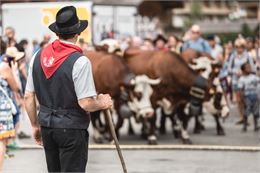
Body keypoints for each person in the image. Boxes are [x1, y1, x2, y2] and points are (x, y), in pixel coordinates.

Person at [24, 6, 113, 172]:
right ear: (77, 34)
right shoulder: (80, 61)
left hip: (47, 127)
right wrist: (101, 103)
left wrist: (35, 125)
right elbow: (86, 103)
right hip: (71, 129)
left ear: (57, 33)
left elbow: (28, 96)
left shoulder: (38, 56)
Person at [0, 39, 20, 171]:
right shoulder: (4, 67)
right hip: (2, 109)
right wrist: (14, 70)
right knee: (1, 143)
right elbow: (15, 87)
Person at [228, 38, 256, 124]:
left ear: (244, 47)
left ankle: (246, 116)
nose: (239, 49)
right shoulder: (233, 56)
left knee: (244, 100)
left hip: (245, 81)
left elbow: (253, 68)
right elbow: (229, 68)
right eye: (237, 47)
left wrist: (245, 71)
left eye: (241, 47)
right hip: (236, 80)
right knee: (239, 100)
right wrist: (235, 72)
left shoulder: (248, 55)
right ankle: (242, 117)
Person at [238, 63, 259, 132]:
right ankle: (244, 125)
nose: (249, 69)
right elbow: (240, 90)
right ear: (243, 70)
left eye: (250, 67)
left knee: (256, 112)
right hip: (247, 96)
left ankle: (256, 126)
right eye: (247, 68)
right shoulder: (241, 79)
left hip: (255, 96)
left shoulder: (254, 77)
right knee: (246, 112)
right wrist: (242, 99)